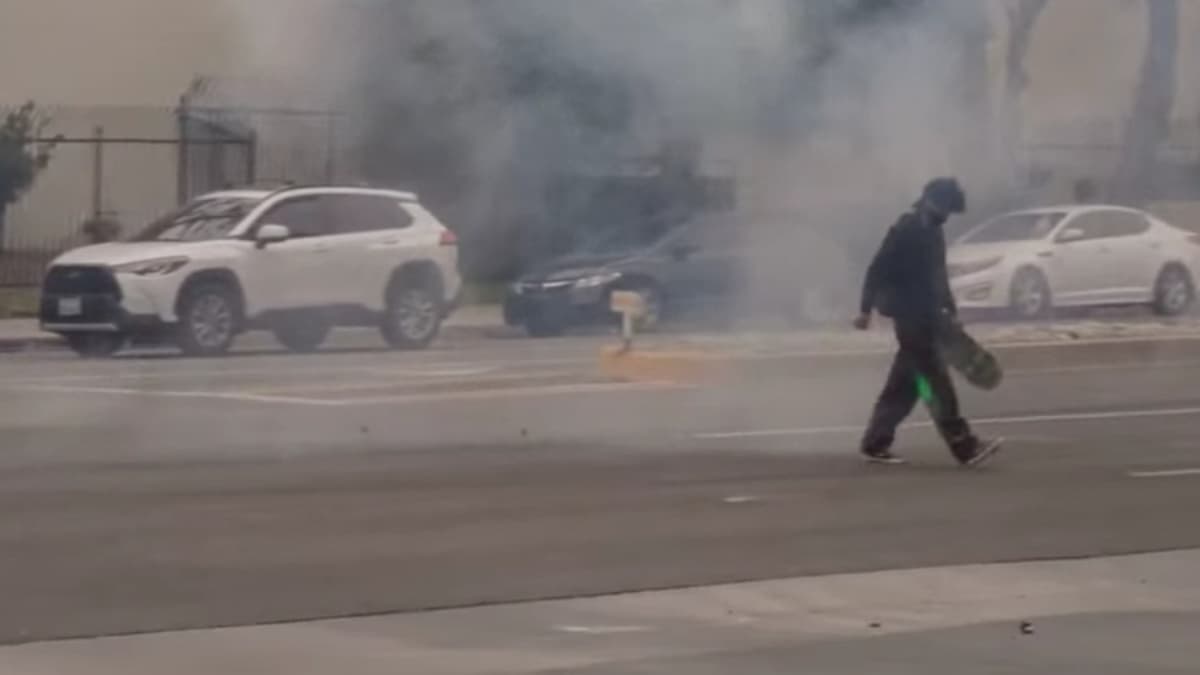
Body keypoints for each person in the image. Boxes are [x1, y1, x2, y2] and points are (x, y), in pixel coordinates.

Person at [853, 178, 1002, 467]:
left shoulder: (934, 231)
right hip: (910, 320)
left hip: (930, 316)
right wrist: (864, 310)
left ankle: (875, 442)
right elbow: (877, 267)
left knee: (906, 385)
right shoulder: (906, 229)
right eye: (945, 207)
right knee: (936, 383)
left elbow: (937, 275)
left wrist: (950, 306)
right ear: (931, 200)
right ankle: (963, 445)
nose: (947, 215)